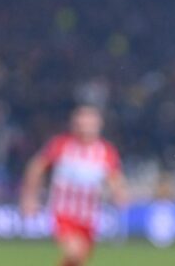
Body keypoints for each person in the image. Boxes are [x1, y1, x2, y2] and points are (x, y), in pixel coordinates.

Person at [20, 106, 128, 266]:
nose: (85, 128)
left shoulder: (106, 151)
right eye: (81, 124)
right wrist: (29, 197)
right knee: (74, 252)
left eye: (90, 124)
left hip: (89, 216)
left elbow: (114, 177)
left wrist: (119, 193)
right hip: (63, 212)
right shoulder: (62, 145)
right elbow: (36, 167)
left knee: (77, 260)